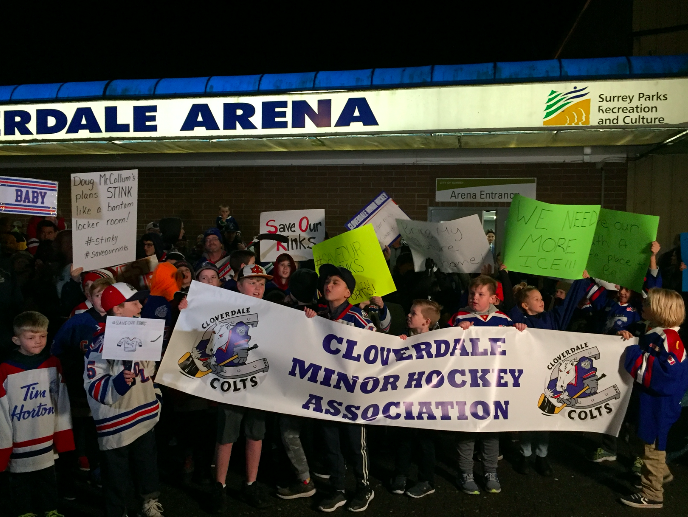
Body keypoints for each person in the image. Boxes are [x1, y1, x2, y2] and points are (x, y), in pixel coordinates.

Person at [304, 264, 381, 512]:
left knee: (355, 443)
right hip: (327, 391)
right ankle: (337, 488)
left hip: (352, 393)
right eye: (327, 281)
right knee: (330, 442)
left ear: (348, 292)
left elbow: (375, 345)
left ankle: (364, 487)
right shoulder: (319, 316)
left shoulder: (358, 318)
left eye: (335, 282)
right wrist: (308, 322)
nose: (329, 285)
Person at [84, 283, 164, 517]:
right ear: (117, 309)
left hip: (143, 413)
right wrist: (118, 383)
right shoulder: (99, 343)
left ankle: (149, 501)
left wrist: (155, 397)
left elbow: (151, 371)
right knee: (116, 472)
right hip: (116, 419)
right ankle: (117, 510)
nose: (140, 306)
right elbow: (92, 383)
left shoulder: (144, 334)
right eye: (134, 302)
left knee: (146, 464)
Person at [507, 271, 591, 476]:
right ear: (525, 305)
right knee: (528, 417)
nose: (541, 301)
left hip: (549, 379)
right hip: (528, 377)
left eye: (541, 298)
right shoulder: (517, 318)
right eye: (536, 299)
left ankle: (542, 456)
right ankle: (525, 454)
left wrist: (582, 281)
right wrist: (504, 273)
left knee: (545, 416)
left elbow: (569, 303)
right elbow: (510, 307)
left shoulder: (551, 318)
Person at [449, 275, 527, 495]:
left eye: (480, 294)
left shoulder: (503, 320)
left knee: (491, 433)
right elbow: (444, 345)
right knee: (467, 431)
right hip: (466, 385)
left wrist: (519, 329)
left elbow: (517, 347)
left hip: (493, 387)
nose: (474, 297)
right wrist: (457, 330)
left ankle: (490, 472)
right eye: (472, 293)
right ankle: (465, 472)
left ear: (493, 298)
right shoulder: (459, 316)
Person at [211, 264, 273, 512]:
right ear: (238, 285)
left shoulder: (273, 311)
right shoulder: (224, 308)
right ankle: (219, 486)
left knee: (255, 434)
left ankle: (250, 483)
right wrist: (186, 308)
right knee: (226, 435)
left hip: (259, 384)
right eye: (252, 282)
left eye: (262, 283)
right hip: (232, 383)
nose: (257, 288)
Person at [0, 311, 75, 517]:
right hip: (19, 436)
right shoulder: (5, 368)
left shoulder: (52, 363)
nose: (38, 341)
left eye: (42, 336)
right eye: (31, 337)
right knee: (20, 479)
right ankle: (24, 511)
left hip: (45, 434)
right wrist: (4, 443)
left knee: (47, 476)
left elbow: (61, 400)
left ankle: (50, 509)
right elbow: (2, 409)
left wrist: (62, 434)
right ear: (16, 339)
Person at [619, 288, 688, 509]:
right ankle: (661, 474)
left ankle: (652, 494)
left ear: (660, 310)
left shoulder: (669, 339)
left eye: (648, 303)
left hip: (660, 406)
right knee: (645, 443)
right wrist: (630, 340)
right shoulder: (656, 333)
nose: (643, 306)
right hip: (651, 402)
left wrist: (632, 353)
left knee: (653, 449)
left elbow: (666, 375)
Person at [52, 277, 114, 479]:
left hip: (111, 387)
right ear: (89, 297)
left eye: (107, 295)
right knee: (82, 425)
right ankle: (80, 465)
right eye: (97, 295)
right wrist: (73, 367)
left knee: (105, 429)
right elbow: (58, 350)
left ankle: (102, 469)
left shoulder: (122, 320)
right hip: (82, 386)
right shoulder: (78, 322)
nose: (102, 299)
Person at [391, 300, 442, 498]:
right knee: (403, 440)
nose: (409, 315)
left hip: (428, 403)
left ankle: (426, 480)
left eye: (414, 313)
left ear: (426, 321)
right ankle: (400, 474)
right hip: (406, 400)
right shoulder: (403, 336)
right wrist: (398, 345)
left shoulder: (440, 340)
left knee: (425, 443)